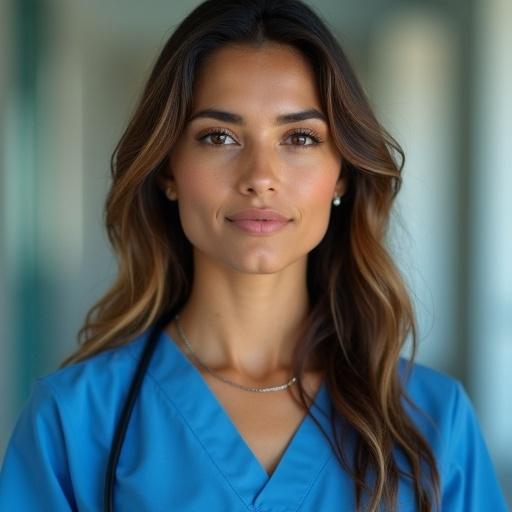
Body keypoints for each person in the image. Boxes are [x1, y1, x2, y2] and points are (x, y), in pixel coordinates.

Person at [0, 0, 508, 511]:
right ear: (168, 171)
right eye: (219, 136)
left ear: (343, 174)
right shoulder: (74, 422)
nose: (260, 176)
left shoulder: (433, 423)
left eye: (300, 137)